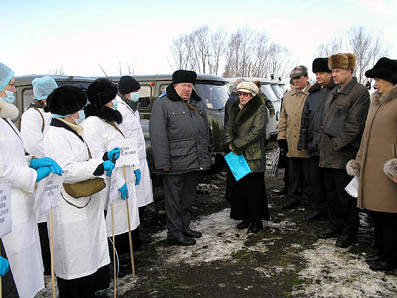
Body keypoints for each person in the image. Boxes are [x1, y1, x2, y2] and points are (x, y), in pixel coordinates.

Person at [43, 85, 116, 297]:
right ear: (71, 109)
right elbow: (65, 170)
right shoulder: (56, 134)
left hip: (85, 201)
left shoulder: (69, 129)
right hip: (70, 205)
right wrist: (98, 167)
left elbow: (80, 160)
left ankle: (91, 290)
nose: (82, 112)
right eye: (79, 108)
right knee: (76, 258)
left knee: (88, 253)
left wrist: (103, 158)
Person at [0, 62, 61, 298]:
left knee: (26, 268)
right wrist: (31, 175)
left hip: (21, 205)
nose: (14, 90)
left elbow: (12, 156)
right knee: (15, 275)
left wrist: (30, 162)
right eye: (11, 85)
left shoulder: (6, 119)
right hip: (8, 206)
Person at [346, 57, 397, 270]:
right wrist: (359, 160)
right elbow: (366, 136)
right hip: (371, 168)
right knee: (376, 214)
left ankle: (391, 257)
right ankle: (381, 250)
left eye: (378, 79)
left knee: (390, 216)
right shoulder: (377, 102)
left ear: (391, 79)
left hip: (388, 172)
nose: (375, 84)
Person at [149, 70, 210, 246]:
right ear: (174, 86)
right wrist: (163, 163)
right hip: (174, 163)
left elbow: (204, 132)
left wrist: (205, 156)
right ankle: (174, 234)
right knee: (174, 201)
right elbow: (158, 136)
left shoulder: (197, 103)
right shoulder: (162, 103)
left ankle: (185, 227)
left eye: (190, 86)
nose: (187, 89)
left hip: (194, 161)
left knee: (188, 198)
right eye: (183, 85)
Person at [82, 78, 140, 257]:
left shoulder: (109, 119)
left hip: (125, 174)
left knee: (126, 221)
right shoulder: (92, 124)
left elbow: (124, 145)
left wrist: (134, 165)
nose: (115, 101)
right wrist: (118, 180)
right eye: (112, 98)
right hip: (111, 182)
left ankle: (124, 254)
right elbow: (100, 157)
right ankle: (113, 258)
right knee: (113, 224)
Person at [318, 53, 370, 248]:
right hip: (327, 154)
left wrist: (337, 144)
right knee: (330, 193)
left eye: (337, 71)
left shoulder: (359, 93)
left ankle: (349, 231)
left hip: (343, 155)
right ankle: (335, 224)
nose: (334, 75)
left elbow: (354, 126)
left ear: (349, 71)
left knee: (345, 196)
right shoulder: (335, 91)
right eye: (332, 71)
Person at [20, 75, 58, 275]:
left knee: (51, 216)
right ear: (43, 96)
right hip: (42, 174)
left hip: (54, 174)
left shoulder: (48, 113)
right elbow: (34, 144)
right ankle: (45, 264)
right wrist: (52, 157)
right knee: (41, 220)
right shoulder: (31, 115)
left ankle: (52, 258)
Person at [224, 82, 269, 233]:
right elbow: (229, 127)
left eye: (246, 94)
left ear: (252, 95)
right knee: (241, 188)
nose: (242, 97)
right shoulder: (235, 107)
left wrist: (237, 144)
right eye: (240, 94)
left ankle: (256, 220)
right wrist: (230, 142)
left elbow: (257, 132)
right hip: (238, 154)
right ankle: (246, 217)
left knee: (254, 189)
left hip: (253, 154)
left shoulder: (260, 108)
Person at [117, 75, 154, 250]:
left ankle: (137, 236)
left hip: (139, 160)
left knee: (139, 202)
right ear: (126, 93)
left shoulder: (133, 108)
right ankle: (130, 241)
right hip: (128, 162)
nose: (138, 94)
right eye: (136, 91)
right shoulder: (120, 110)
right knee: (130, 205)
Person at [297, 58, 336, 221]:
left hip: (329, 146)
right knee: (315, 181)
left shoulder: (336, 92)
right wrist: (303, 142)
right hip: (313, 145)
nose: (318, 77)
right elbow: (305, 119)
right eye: (316, 74)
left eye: (321, 73)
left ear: (330, 74)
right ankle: (320, 209)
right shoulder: (312, 94)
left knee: (330, 184)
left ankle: (332, 213)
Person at [277, 65, 312, 210]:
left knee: (309, 175)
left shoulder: (313, 94)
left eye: (298, 78)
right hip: (291, 141)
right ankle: (293, 197)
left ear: (306, 77)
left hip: (308, 143)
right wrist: (281, 137)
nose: (295, 81)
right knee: (293, 173)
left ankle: (308, 199)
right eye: (293, 78)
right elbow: (283, 118)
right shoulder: (288, 96)